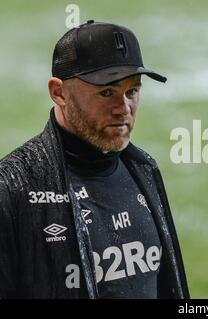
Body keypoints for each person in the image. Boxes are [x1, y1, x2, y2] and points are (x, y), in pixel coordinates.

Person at [0, 20, 189, 299]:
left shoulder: (145, 170)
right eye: (106, 92)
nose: (123, 109)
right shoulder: (11, 189)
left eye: (132, 91)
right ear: (58, 92)